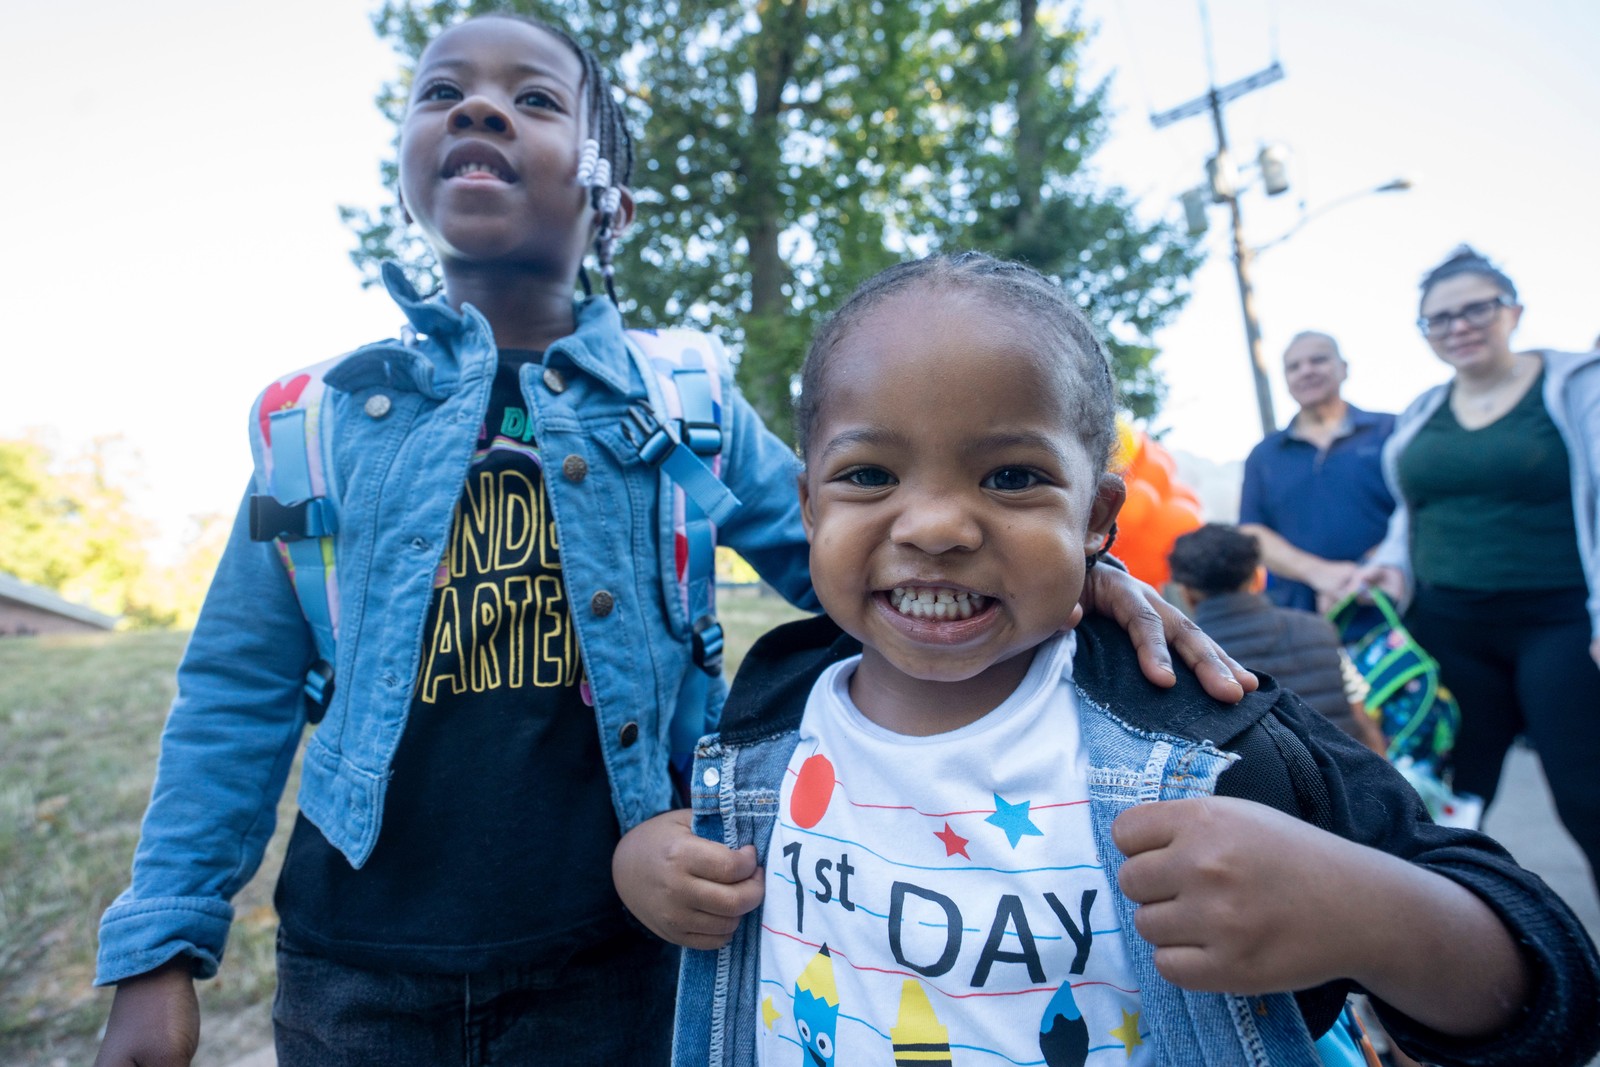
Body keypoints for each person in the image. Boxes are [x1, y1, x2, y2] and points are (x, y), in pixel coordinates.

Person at [89, 17, 1252, 1067]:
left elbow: (853, 561)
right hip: (359, 963)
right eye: (442, 92)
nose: (480, 109)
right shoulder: (316, 419)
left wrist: (1073, 579)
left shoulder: (684, 397)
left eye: (536, 101)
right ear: (407, 168)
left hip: (633, 947)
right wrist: (159, 944)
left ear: (611, 204)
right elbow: (235, 690)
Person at [613, 253, 1600, 1067]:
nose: (937, 524)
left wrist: (1363, 913)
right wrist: (647, 862)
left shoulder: (1205, 731)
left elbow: (1550, 976)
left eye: (1012, 476)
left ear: (1096, 519)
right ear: (810, 507)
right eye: (869, 474)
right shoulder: (772, 711)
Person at [1352, 244, 1600, 896]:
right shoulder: (1423, 412)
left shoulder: (1577, 386)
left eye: (1475, 309)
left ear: (1512, 310)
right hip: (1448, 626)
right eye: (1439, 318)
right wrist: (1389, 567)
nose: (1458, 326)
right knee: (1447, 801)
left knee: (1587, 793)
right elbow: (1410, 515)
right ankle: (1459, 938)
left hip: (1562, 622)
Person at [1169, 523, 1384, 750]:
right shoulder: (1319, 629)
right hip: (1345, 771)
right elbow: (1362, 718)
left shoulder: (1181, 656)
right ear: (1256, 577)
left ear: (1185, 592)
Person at [1239, 331, 1396, 615]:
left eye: (1318, 360)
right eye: (1294, 367)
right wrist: (1320, 574)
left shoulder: (1390, 431)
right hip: (1301, 620)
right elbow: (1252, 532)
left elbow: (1420, 511)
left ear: (1344, 368)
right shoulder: (1264, 455)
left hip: (1392, 607)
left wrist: (1361, 575)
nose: (1306, 371)